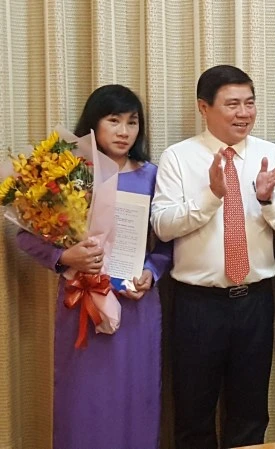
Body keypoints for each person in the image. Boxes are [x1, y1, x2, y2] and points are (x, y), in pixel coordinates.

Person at [151, 65, 275, 449]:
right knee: (193, 414)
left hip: (255, 302)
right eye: (232, 104)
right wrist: (211, 196)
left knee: (250, 414)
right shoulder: (178, 157)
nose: (244, 113)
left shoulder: (270, 154)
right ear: (204, 107)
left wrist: (266, 199)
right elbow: (162, 226)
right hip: (197, 305)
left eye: (250, 103)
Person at [16, 84, 171, 449]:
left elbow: (168, 242)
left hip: (135, 304)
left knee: (136, 396)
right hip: (81, 302)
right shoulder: (67, 175)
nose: (124, 131)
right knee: (84, 400)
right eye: (113, 120)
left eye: (132, 122)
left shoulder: (153, 175)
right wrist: (65, 257)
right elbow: (25, 235)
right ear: (93, 124)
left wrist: (152, 272)